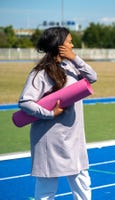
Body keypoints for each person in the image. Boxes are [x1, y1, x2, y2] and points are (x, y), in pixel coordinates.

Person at [18, 27, 97, 200]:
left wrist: (74, 57)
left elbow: (92, 77)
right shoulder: (39, 73)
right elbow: (25, 102)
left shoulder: (72, 67)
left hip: (73, 138)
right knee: (46, 191)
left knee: (83, 186)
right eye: (69, 42)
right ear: (59, 45)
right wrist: (50, 113)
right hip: (49, 140)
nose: (73, 44)